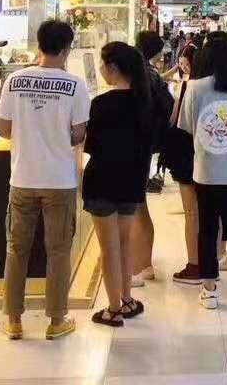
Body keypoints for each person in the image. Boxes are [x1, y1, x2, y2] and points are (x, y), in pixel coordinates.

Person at [0, 20, 90, 340]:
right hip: (59, 180)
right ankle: (56, 320)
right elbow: (78, 135)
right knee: (59, 251)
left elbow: (3, 130)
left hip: (22, 178)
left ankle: (13, 320)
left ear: (39, 44)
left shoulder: (14, 80)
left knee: (16, 249)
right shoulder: (75, 85)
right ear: (66, 49)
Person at [178, 33, 227, 309]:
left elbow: (187, 126)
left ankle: (210, 289)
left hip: (206, 170)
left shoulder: (195, 88)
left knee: (207, 228)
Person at [82, 42, 153, 327]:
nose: (101, 69)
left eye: (103, 64)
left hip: (102, 182)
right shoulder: (145, 102)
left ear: (113, 68)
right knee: (124, 243)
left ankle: (112, 309)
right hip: (132, 182)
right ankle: (127, 299)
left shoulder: (101, 104)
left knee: (108, 248)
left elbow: (91, 146)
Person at [131, 31, 174, 285]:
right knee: (139, 204)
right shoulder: (151, 73)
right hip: (147, 143)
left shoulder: (141, 75)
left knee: (136, 206)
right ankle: (143, 263)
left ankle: (142, 265)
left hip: (137, 144)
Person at [165, 43, 202, 284]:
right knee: (210, 211)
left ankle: (195, 265)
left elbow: (175, 119)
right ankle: (214, 259)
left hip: (186, 153)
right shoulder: (220, 87)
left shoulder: (187, 87)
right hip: (210, 154)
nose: (183, 67)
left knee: (191, 212)